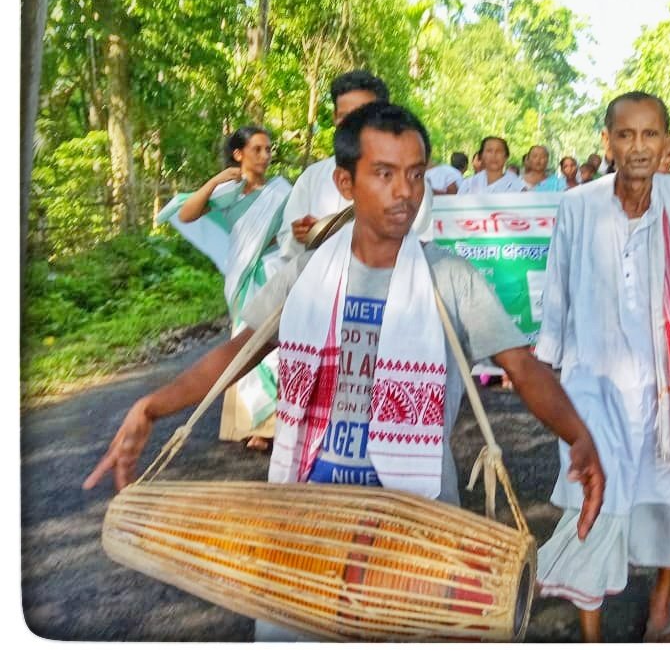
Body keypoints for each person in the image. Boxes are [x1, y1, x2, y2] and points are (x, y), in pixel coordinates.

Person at [84, 101, 605, 641]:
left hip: (417, 530)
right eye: (384, 174)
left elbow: (522, 366)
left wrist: (578, 436)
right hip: (304, 524)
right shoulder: (307, 276)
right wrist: (152, 406)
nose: (405, 191)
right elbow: (238, 352)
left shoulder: (449, 276)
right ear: (345, 181)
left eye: (415, 174)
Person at [533, 92, 670, 643]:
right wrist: (549, 379)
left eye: (650, 135)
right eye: (626, 135)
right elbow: (558, 293)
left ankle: (661, 603)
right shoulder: (579, 206)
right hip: (593, 383)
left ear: (666, 145)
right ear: (607, 142)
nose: (638, 147)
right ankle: (592, 634)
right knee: (590, 499)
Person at [159, 126, 290, 451]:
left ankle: (283, 425)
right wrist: (216, 181)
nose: (264, 155)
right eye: (257, 149)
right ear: (238, 154)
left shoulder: (282, 190)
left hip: (277, 272)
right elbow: (188, 214)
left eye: (268, 149)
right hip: (245, 277)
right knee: (247, 345)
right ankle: (256, 426)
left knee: (279, 345)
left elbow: (296, 228)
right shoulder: (228, 192)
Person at [275, 70, 389, 259]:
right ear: (335, 117)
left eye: (362, 115)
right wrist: (299, 236)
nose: (352, 124)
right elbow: (286, 246)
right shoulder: (312, 178)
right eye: (345, 116)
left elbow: (417, 245)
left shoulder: (407, 181)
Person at [457, 136, 524, 194]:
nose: (494, 155)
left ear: (506, 157)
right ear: (481, 156)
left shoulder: (518, 187)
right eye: (489, 151)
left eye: (499, 151)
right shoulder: (468, 185)